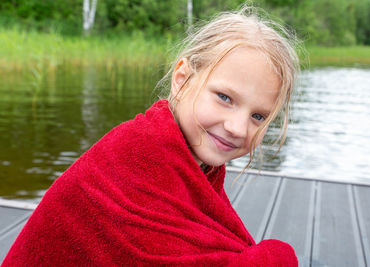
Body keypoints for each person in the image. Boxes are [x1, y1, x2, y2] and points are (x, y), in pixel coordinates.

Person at [3, 6, 299, 266]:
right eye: (224, 97)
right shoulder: (133, 154)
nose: (238, 127)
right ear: (181, 79)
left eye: (258, 116)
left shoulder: (190, 156)